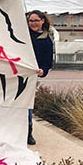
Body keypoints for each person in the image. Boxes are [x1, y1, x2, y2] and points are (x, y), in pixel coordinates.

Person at [27, 9, 54, 145]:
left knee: (27, 104)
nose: (33, 23)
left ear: (42, 21)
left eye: (36, 20)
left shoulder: (46, 40)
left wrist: (42, 71)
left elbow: (47, 62)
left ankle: (28, 131)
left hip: (31, 76)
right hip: (16, 74)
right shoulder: (23, 35)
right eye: (31, 21)